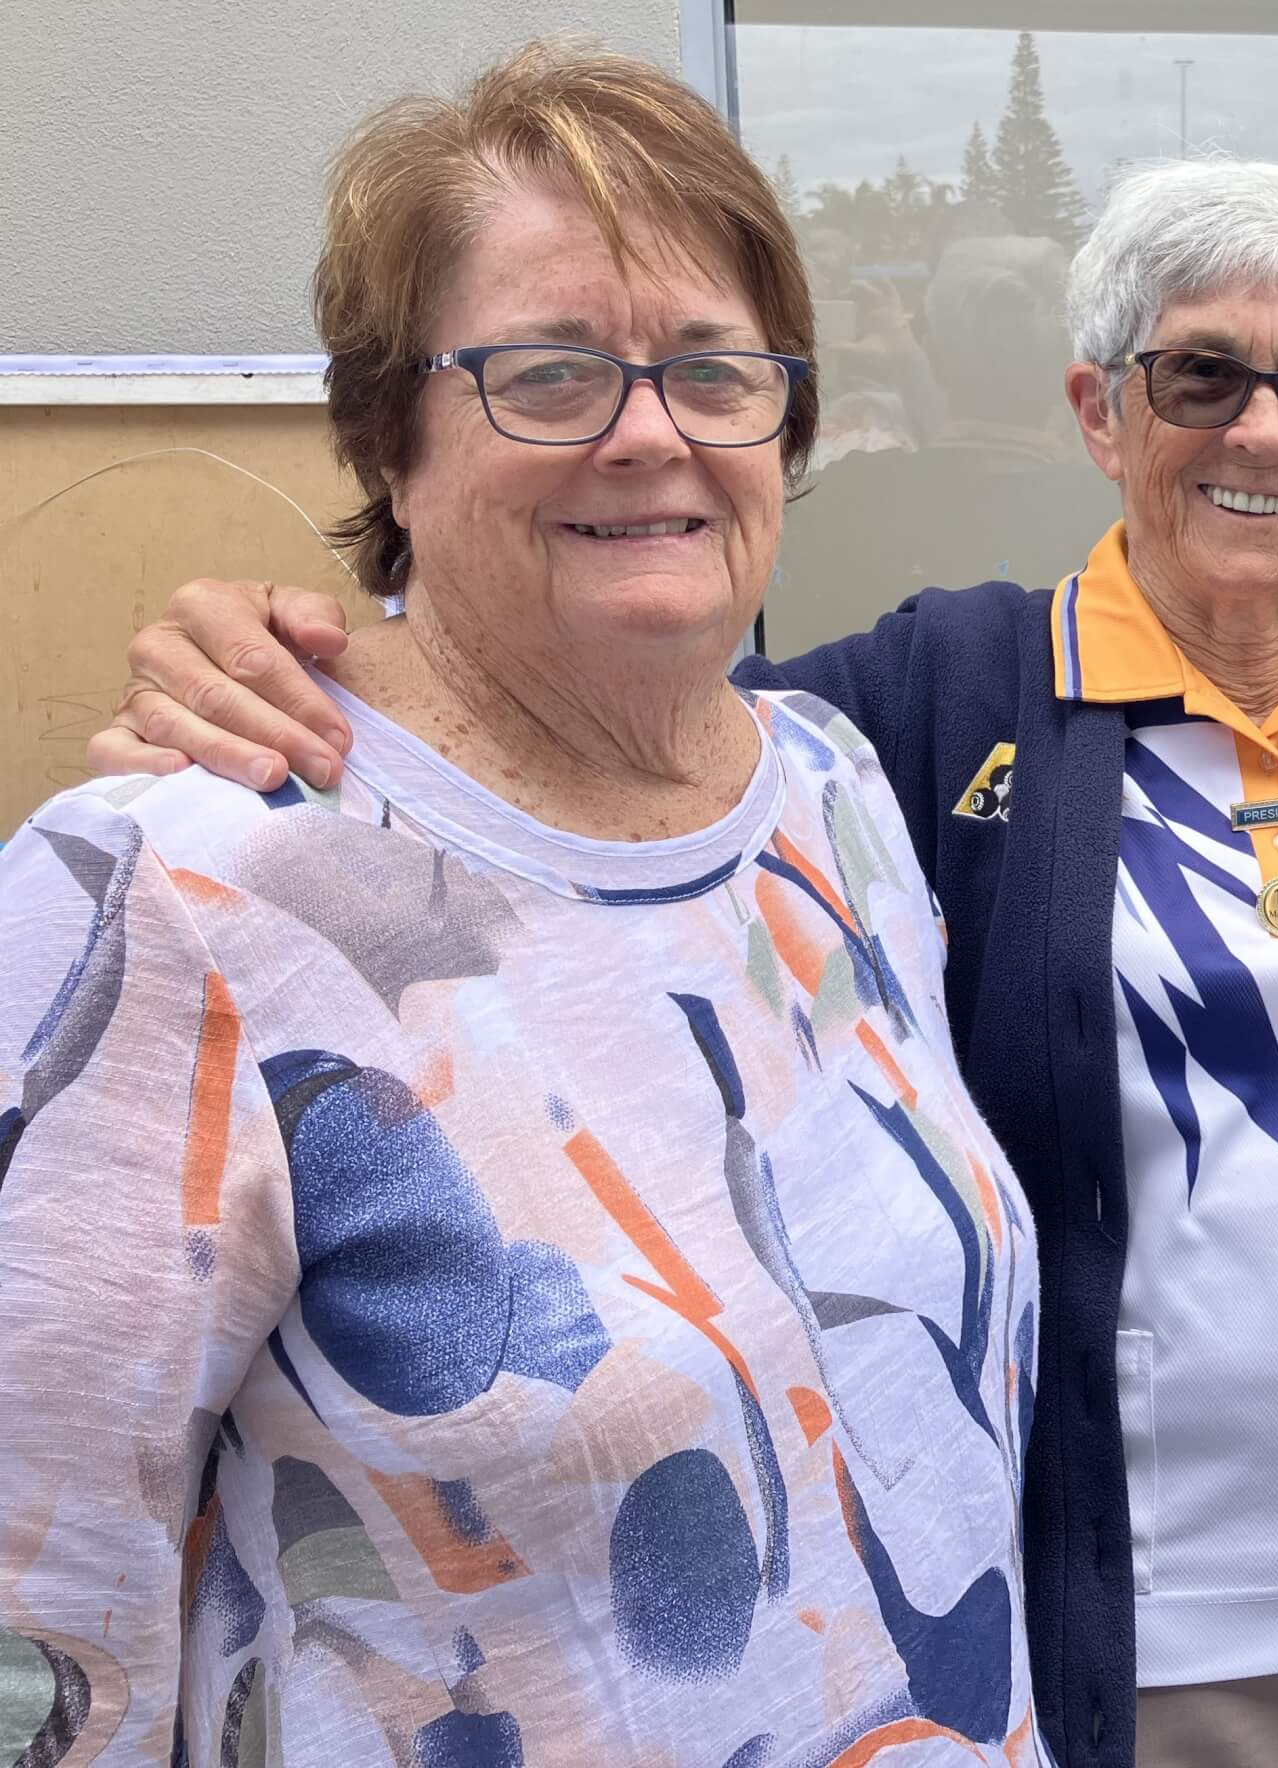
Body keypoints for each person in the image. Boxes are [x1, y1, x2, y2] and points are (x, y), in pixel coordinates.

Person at [86, 159, 1278, 1768]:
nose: (1259, 432)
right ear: (1101, 410)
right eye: (1201, 375)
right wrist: (316, 660)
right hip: (1143, 1610)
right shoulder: (927, 705)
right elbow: (618, 740)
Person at [1, 44, 1039, 1764]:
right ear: (388, 442)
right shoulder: (177, 892)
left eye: (714, 369)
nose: (650, 433)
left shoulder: (833, 790)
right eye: (547, 374)